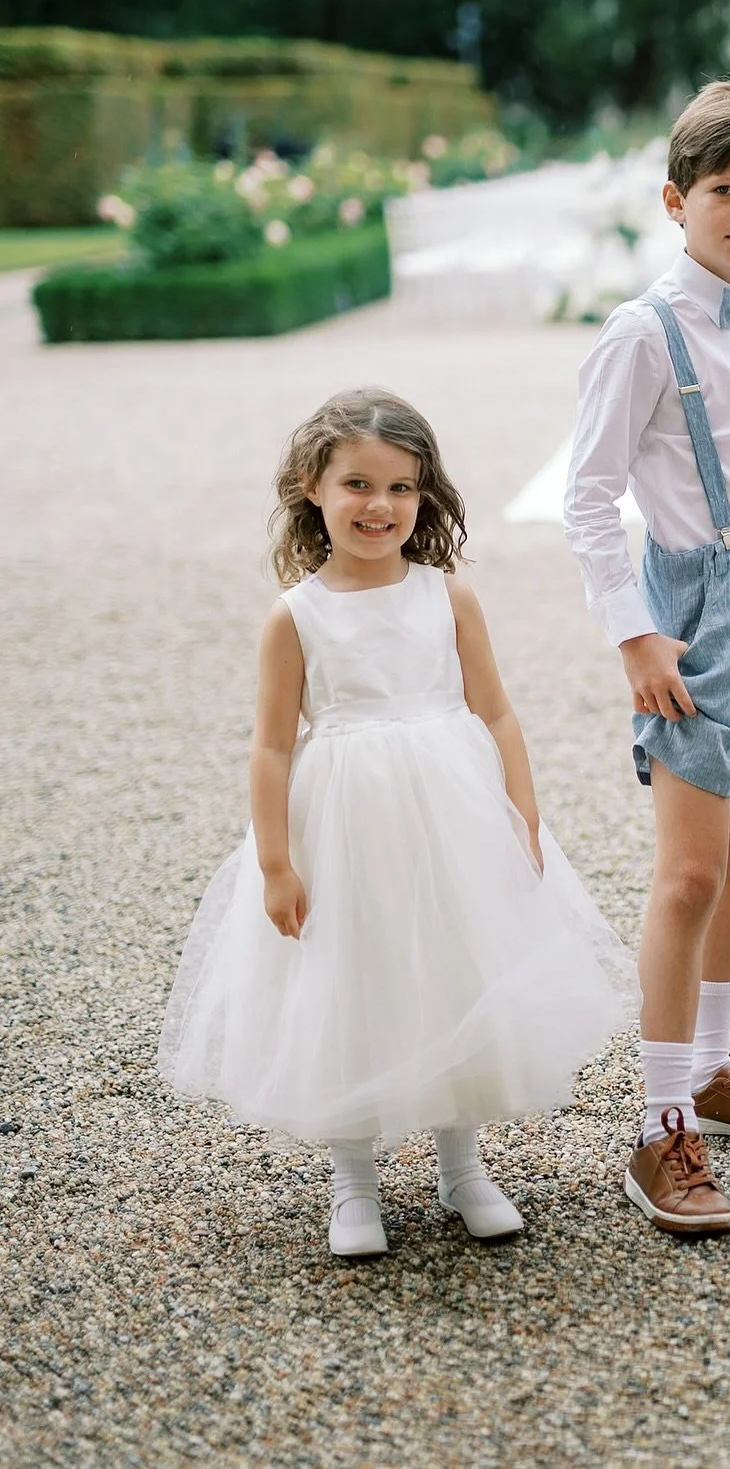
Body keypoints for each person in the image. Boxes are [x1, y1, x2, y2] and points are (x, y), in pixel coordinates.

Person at [159, 389, 633, 1258]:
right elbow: (270, 746)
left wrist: (521, 815)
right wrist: (275, 862)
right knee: (355, 979)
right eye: (358, 484)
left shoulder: (446, 596)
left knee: (453, 971)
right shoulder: (295, 615)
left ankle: (463, 1168)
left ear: (425, 496)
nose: (380, 506)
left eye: (402, 487)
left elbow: (495, 714)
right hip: (342, 819)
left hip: (450, 812)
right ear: (312, 486)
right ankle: (354, 1183)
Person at [564, 82, 730, 1235]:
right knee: (686, 873)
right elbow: (587, 498)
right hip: (697, 606)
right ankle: (659, 1121)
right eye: (725, 190)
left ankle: (715, 1071)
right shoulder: (641, 331)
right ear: (677, 200)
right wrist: (634, 632)